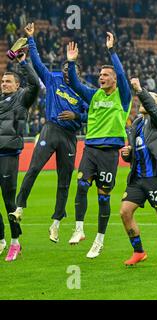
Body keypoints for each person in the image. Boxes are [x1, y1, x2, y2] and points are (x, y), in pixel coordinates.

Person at [10, 23, 88, 243]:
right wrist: (31, 39)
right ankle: (19, 208)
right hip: (51, 129)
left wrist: (77, 117)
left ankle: (56, 223)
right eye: (63, 68)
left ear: (75, 73)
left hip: (70, 137)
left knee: (64, 181)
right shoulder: (53, 79)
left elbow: (90, 115)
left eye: (69, 69)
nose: (64, 72)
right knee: (33, 168)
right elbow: (38, 63)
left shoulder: (82, 91)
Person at [65, 33, 131, 258]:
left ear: (113, 79)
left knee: (103, 196)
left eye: (105, 75)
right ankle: (79, 229)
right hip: (91, 149)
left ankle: (99, 240)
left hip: (110, 153)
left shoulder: (122, 97)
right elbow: (74, 83)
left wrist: (112, 51)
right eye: (100, 74)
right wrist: (71, 62)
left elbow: (122, 74)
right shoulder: (93, 95)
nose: (101, 77)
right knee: (82, 186)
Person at [120, 78, 157, 267]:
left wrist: (139, 89)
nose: (141, 102)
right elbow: (136, 152)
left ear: (155, 104)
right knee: (125, 212)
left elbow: (153, 109)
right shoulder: (135, 124)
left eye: (149, 99)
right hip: (138, 178)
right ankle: (139, 251)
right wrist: (127, 154)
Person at [0, 53, 40, 261]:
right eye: (3, 81)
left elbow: (36, 84)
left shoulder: (23, 98)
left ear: (17, 85)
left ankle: (16, 242)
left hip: (8, 155)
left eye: (8, 81)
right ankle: (1, 239)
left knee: (9, 202)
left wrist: (23, 62)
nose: (4, 84)